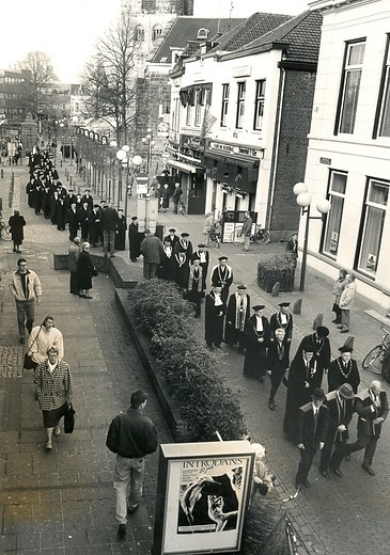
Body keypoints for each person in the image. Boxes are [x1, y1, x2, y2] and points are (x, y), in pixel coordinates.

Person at [106, 390, 158, 539]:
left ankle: (122, 520)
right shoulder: (147, 423)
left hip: (122, 459)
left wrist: (119, 450)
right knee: (136, 483)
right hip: (139, 460)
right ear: (141, 405)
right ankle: (133, 505)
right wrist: (142, 452)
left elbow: (110, 442)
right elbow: (152, 446)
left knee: (120, 487)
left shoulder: (119, 419)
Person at [344, 380, 389, 476]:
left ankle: (367, 463)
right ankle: (348, 449)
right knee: (362, 443)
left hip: (377, 424)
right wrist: (373, 406)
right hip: (366, 423)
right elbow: (359, 410)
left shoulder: (382, 394)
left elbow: (385, 408)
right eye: (377, 391)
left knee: (372, 443)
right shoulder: (362, 396)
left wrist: (382, 418)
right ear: (372, 389)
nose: (379, 392)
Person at [34, 346, 74, 451]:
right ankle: (49, 441)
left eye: (54, 356)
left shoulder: (64, 367)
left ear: (57, 355)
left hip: (59, 398)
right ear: (47, 356)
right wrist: (39, 392)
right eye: (50, 356)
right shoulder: (41, 367)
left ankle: (56, 425)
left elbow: (69, 383)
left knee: (57, 414)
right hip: (46, 399)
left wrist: (69, 398)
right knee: (48, 419)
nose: (52, 358)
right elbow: (36, 379)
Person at [283, 346, 322, 438]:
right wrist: (303, 384)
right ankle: (291, 432)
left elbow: (316, 377)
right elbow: (294, 377)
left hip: (307, 393)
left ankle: (300, 434)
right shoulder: (296, 363)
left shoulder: (314, 363)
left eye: (311, 355)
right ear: (303, 353)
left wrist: (310, 384)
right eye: (308, 354)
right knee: (294, 412)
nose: (310, 357)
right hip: (296, 392)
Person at [295, 388, 329, 490]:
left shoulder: (324, 409)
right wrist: (299, 441)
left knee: (310, 461)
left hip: (315, 440)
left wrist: (322, 440)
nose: (320, 402)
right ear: (314, 399)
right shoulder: (305, 410)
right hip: (306, 441)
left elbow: (324, 425)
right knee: (305, 461)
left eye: (321, 400)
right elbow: (299, 427)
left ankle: (304, 478)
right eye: (318, 400)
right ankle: (298, 479)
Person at [319, 383, 355, 479]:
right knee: (327, 449)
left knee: (341, 448)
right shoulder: (328, 399)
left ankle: (334, 466)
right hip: (330, 428)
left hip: (342, 428)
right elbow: (325, 417)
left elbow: (349, 413)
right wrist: (336, 426)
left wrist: (344, 424)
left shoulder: (348, 399)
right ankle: (323, 468)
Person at [9, 258, 42, 344]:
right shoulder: (14, 275)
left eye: (25, 265)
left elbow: (37, 285)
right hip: (20, 301)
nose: (24, 267)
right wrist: (15, 294)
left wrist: (39, 297)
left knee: (31, 317)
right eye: (22, 265)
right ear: (19, 266)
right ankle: (22, 335)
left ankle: (29, 325)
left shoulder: (32, 274)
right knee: (20, 319)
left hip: (30, 300)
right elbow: (11, 285)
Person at [243, 305, 269, 382]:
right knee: (252, 357)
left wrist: (264, 339)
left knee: (261, 358)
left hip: (262, 343)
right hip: (253, 343)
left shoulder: (265, 320)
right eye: (260, 312)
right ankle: (250, 372)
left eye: (262, 312)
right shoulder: (250, 321)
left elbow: (267, 330)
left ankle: (260, 374)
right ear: (255, 312)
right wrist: (256, 339)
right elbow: (249, 332)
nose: (262, 313)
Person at [267, 328, 290, 410]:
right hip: (274, 367)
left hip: (282, 367)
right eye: (279, 335)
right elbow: (269, 356)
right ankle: (271, 399)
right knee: (275, 383)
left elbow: (286, 355)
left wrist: (287, 366)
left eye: (283, 335)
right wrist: (269, 368)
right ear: (276, 336)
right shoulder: (272, 344)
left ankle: (272, 397)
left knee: (277, 383)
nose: (281, 336)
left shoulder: (285, 344)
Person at [224, 285, 251, 352]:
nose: (241, 292)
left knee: (242, 332)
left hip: (243, 317)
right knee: (233, 330)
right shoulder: (233, 297)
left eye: (243, 290)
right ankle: (232, 342)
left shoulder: (247, 297)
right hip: (234, 317)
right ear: (238, 290)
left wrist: (248, 317)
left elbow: (248, 308)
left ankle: (241, 346)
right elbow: (230, 308)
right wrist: (229, 319)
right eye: (240, 290)